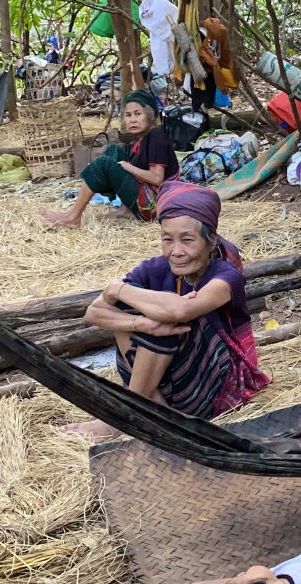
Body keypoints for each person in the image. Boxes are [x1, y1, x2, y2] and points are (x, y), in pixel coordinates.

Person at [63, 180, 271, 439]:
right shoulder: (156, 268)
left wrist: (118, 289)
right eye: (167, 240)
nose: (177, 251)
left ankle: (121, 419)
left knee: (161, 316)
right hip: (165, 388)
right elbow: (94, 313)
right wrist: (139, 324)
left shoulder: (225, 275)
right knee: (140, 315)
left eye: (187, 240)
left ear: (210, 241)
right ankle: (156, 412)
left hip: (213, 386)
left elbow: (180, 312)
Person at [39, 89, 178, 228]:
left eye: (138, 114)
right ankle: (125, 209)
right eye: (128, 115)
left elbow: (157, 178)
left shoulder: (156, 137)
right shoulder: (140, 141)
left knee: (104, 164)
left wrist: (128, 167)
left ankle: (73, 217)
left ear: (150, 115)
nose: (133, 120)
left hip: (154, 205)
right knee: (114, 150)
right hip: (145, 195)